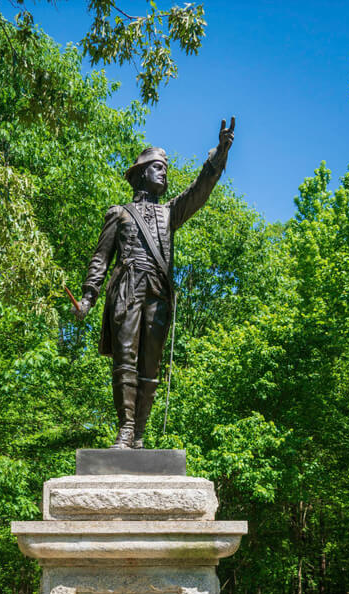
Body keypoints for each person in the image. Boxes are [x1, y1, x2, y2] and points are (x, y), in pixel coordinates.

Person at [74, 117, 235, 448]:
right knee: (125, 360)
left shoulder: (169, 213)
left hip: (158, 293)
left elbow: (199, 190)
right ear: (141, 173)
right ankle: (126, 429)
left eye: (165, 168)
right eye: (157, 167)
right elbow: (101, 257)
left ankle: (140, 435)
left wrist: (219, 153)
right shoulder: (118, 213)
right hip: (127, 289)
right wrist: (89, 297)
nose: (164, 172)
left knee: (151, 365)